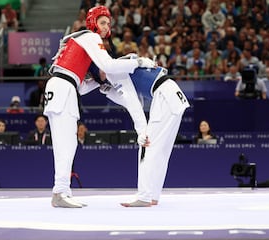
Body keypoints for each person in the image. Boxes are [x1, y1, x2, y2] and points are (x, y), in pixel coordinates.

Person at [43, 6, 156, 208]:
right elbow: (110, 65)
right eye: (103, 22)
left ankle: (62, 191)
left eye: (109, 24)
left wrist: (98, 81)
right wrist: (138, 61)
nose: (106, 28)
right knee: (66, 144)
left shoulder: (81, 42)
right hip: (63, 87)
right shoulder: (90, 37)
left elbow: (84, 88)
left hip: (64, 87)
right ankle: (59, 192)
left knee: (67, 143)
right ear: (93, 22)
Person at [81, 62, 190, 207]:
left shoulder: (114, 70)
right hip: (173, 96)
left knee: (147, 145)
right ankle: (153, 195)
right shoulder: (120, 68)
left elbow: (133, 103)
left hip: (165, 97)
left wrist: (141, 131)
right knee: (161, 152)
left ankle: (144, 196)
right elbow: (134, 99)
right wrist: (109, 91)